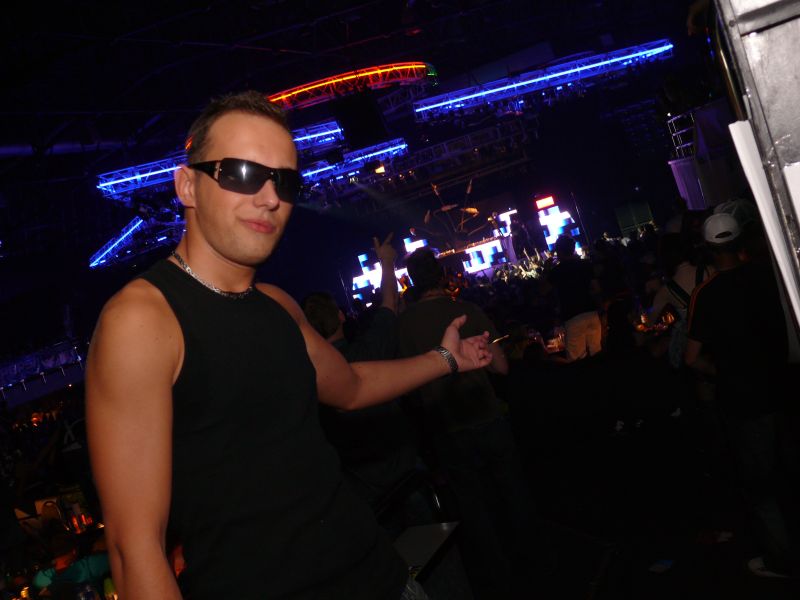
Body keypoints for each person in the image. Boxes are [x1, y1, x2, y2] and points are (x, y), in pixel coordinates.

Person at [85, 91, 493, 600]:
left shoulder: (277, 304)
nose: (269, 198)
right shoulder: (142, 320)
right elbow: (134, 550)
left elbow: (351, 385)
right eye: (241, 173)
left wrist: (447, 358)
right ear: (187, 185)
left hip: (382, 576)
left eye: (285, 181)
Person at [396, 248, 534, 599]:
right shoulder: (467, 310)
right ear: (441, 274)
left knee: (473, 510)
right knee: (513, 495)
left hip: (447, 428)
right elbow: (501, 367)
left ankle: (496, 581)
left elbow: (408, 391)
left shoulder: (404, 325)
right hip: (487, 416)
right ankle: (533, 569)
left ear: (412, 281)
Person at [686, 212, 796, 578]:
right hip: (784, 385)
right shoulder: (768, 275)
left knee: (761, 487)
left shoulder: (706, 294)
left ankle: (781, 561)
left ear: (708, 249)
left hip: (743, 400)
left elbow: (692, 357)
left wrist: (725, 372)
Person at [544, 235, 602, 361]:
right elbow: (596, 288)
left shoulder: (557, 271)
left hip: (573, 316)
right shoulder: (585, 265)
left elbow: (543, 290)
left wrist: (546, 270)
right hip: (591, 312)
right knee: (597, 352)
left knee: (577, 359)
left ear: (559, 251)